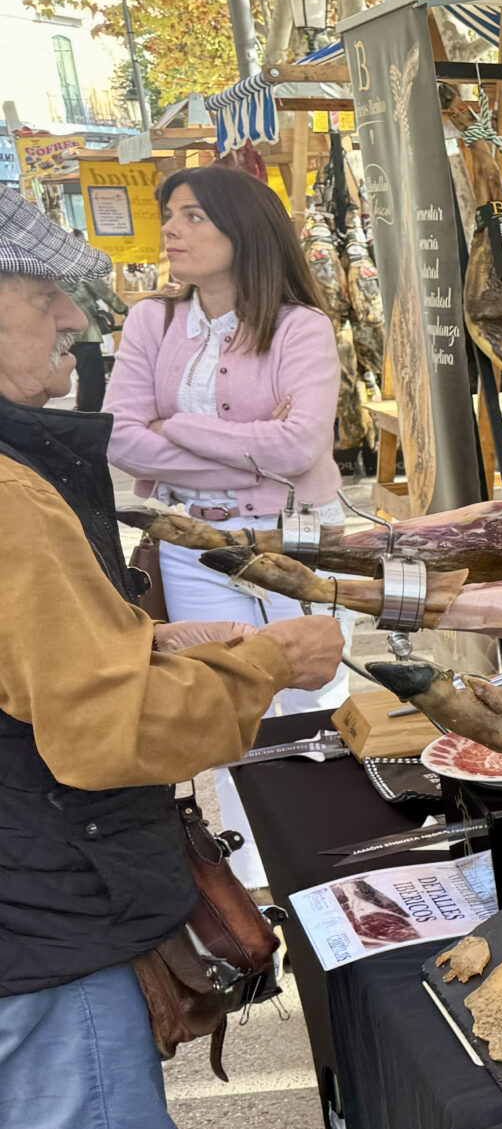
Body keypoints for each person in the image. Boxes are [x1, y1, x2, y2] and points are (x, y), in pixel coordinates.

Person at [0, 197, 364, 1129]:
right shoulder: (10, 495)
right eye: (43, 297)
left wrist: (171, 642)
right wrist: (262, 666)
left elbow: (58, 663)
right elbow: (101, 729)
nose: (74, 321)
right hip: (35, 908)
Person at [105, 168, 347, 889]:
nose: (171, 230)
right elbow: (118, 436)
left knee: (312, 693)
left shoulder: (301, 327)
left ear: (243, 230)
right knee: (228, 697)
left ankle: (332, 851)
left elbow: (299, 447)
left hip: (296, 535)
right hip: (191, 545)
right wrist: (248, 456)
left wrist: (175, 426)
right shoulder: (152, 321)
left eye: (193, 216)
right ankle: (257, 870)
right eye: (169, 215)